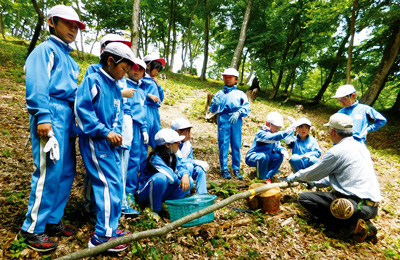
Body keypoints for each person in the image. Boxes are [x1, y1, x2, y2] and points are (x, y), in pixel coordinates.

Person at [17, 5, 85, 252]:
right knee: (48, 172)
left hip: (66, 117)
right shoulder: (45, 50)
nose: (73, 30)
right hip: (50, 114)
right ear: (52, 22)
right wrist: (43, 116)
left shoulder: (69, 59)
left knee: (66, 171)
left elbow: (73, 92)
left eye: (77, 26)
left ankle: (52, 220)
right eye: (69, 24)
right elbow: (37, 85)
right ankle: (31, 229)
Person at [75, 42, 137, 252]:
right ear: (110, 61)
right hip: (95, 142)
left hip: (109, 144)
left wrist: (116, 132)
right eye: (124, 68)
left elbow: (118, 115)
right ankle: (102, 237)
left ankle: (110, 228)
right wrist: (105, 131)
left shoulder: (115, 87)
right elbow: (82, 111)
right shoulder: (93, 80)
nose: (125, 74)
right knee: (108, 186)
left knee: (116, 183)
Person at [286, 113, 381, 243]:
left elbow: (313, 172)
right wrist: (315, 184)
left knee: (305, 198)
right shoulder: (361, 147)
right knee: (329, 199)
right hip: (372, 207)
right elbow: (342, 179)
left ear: (333, 131)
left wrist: (296, 176)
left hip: (350, 206)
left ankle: (346, 227)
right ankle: (360, 223)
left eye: (329, 130)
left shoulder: (337, 152)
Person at [136, 129, 194, 215]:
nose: (179, 144)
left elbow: (181, 168)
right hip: (146, 193)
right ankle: (153, 209)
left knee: (189, 181)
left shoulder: (172, 156)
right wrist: (179, 175)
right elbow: (171, 177)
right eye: (177, 142)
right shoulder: (155, 159)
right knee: (160, 178)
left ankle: (168, 204)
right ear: (167, 145)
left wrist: (185, 175)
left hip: (163, 190)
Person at [209, 68, 250, 180]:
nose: (227, 79)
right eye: (225, 77)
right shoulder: (219, 93)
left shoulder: (240, 94)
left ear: (236, 80)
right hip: (223, 118)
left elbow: (246, 107)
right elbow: (212, 110)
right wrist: (214, 104)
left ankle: (236, 169)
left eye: (230, 77)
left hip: (236, 119)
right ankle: (224, 169)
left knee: (236, 144)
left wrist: (238, 113)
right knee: (223, 144)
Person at [122, 58, 149, 216]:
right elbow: (125, 107)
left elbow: (143, 111)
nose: (136, 71)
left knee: (138, 160)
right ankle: (126, 192)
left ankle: (134, 189)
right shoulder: (125, 85)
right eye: (134, 68)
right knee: (129, 159)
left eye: (140, 69)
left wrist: (144, 129)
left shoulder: (142, 89)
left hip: (139, 128)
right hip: (128, 125)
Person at [245, 112, 296, 184]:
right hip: (253, 157)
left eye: (279, 128)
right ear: (268, 124)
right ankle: (261, 179)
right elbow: (270, 138)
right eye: (276, 127)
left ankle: (268, 177)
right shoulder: (261, 133)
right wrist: (285, 133)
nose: (278, 130)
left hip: (267, 157)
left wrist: (282, 150)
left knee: (278, 156)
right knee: (263, 157)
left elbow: (277, 146)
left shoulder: (274, 134)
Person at [171, 118, 208, 195]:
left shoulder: (187, 145)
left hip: (186, 170)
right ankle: (185, 193)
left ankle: (202, 195)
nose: (189, 135)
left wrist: (195, 163)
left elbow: (189, 158)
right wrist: (194, 161)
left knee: (200, 170)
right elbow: (177, 161)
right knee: (189, 166)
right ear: (178, 131)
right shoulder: (171, 144)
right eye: (187, 131)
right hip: (175, 172)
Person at [141, 54, 166, 149]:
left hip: (155, 111)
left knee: (157, 136)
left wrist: (158, 85)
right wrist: (148, 95)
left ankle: (157, 160)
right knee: (145, 137)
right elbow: (137, 93)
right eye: (155, 69)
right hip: (146, 109)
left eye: (158, 70)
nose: (156, 72)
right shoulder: (142, 79)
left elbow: (161, 98)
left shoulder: (154, 80)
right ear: (148, 66)